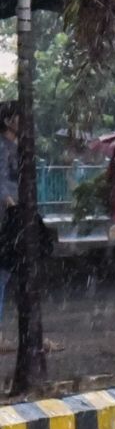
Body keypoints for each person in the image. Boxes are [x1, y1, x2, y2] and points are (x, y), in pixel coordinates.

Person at [0, 101, 18, 326]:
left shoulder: (16, 147)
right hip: (7, 216)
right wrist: (12, 206)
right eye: (19, 116)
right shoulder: (3, 148)